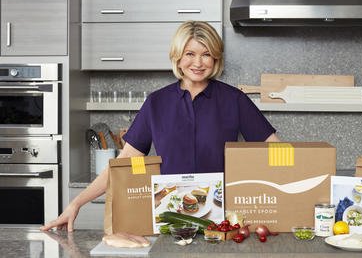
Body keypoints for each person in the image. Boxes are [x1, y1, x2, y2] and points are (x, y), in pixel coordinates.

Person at [42, 21, 279, 232]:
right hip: (171, 220)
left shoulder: (234, 100)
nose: (198, 62)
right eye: (190, 53)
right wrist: (76, 203)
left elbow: (275, 151)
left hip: (222, 223)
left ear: (215, 58)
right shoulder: (156, 103)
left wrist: (279, 198)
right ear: (177, 56)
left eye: (206, 54)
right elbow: (121, 166)